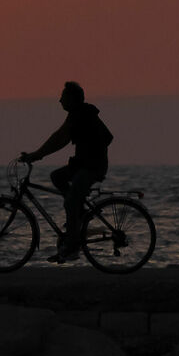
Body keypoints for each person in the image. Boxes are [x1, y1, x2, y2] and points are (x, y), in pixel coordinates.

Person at [20, 81, 114, 263]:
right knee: (57, 177)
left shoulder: (81, 115)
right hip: (83, 164)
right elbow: (62, 137)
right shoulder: (79, 114)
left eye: (63, 96)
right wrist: (38, 154)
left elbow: (60, 138)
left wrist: (36, 155)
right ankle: (79, 212)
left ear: (72, 99)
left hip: (91, 167)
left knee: (70, 201)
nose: (60, 100)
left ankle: (72, 247)